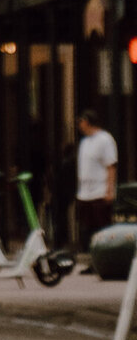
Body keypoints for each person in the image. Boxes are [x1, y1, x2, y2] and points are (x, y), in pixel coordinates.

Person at [75, 109, 120, 254]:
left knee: (101, 228)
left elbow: (110, 165)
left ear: (87, 122)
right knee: (87, 229)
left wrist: (109, 190)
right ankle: (91, 259)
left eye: (81, 121)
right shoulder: (85, 142)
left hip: (99, 192)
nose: (79, 125)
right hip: (85, 193)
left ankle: (104, 257)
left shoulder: (105, 139)